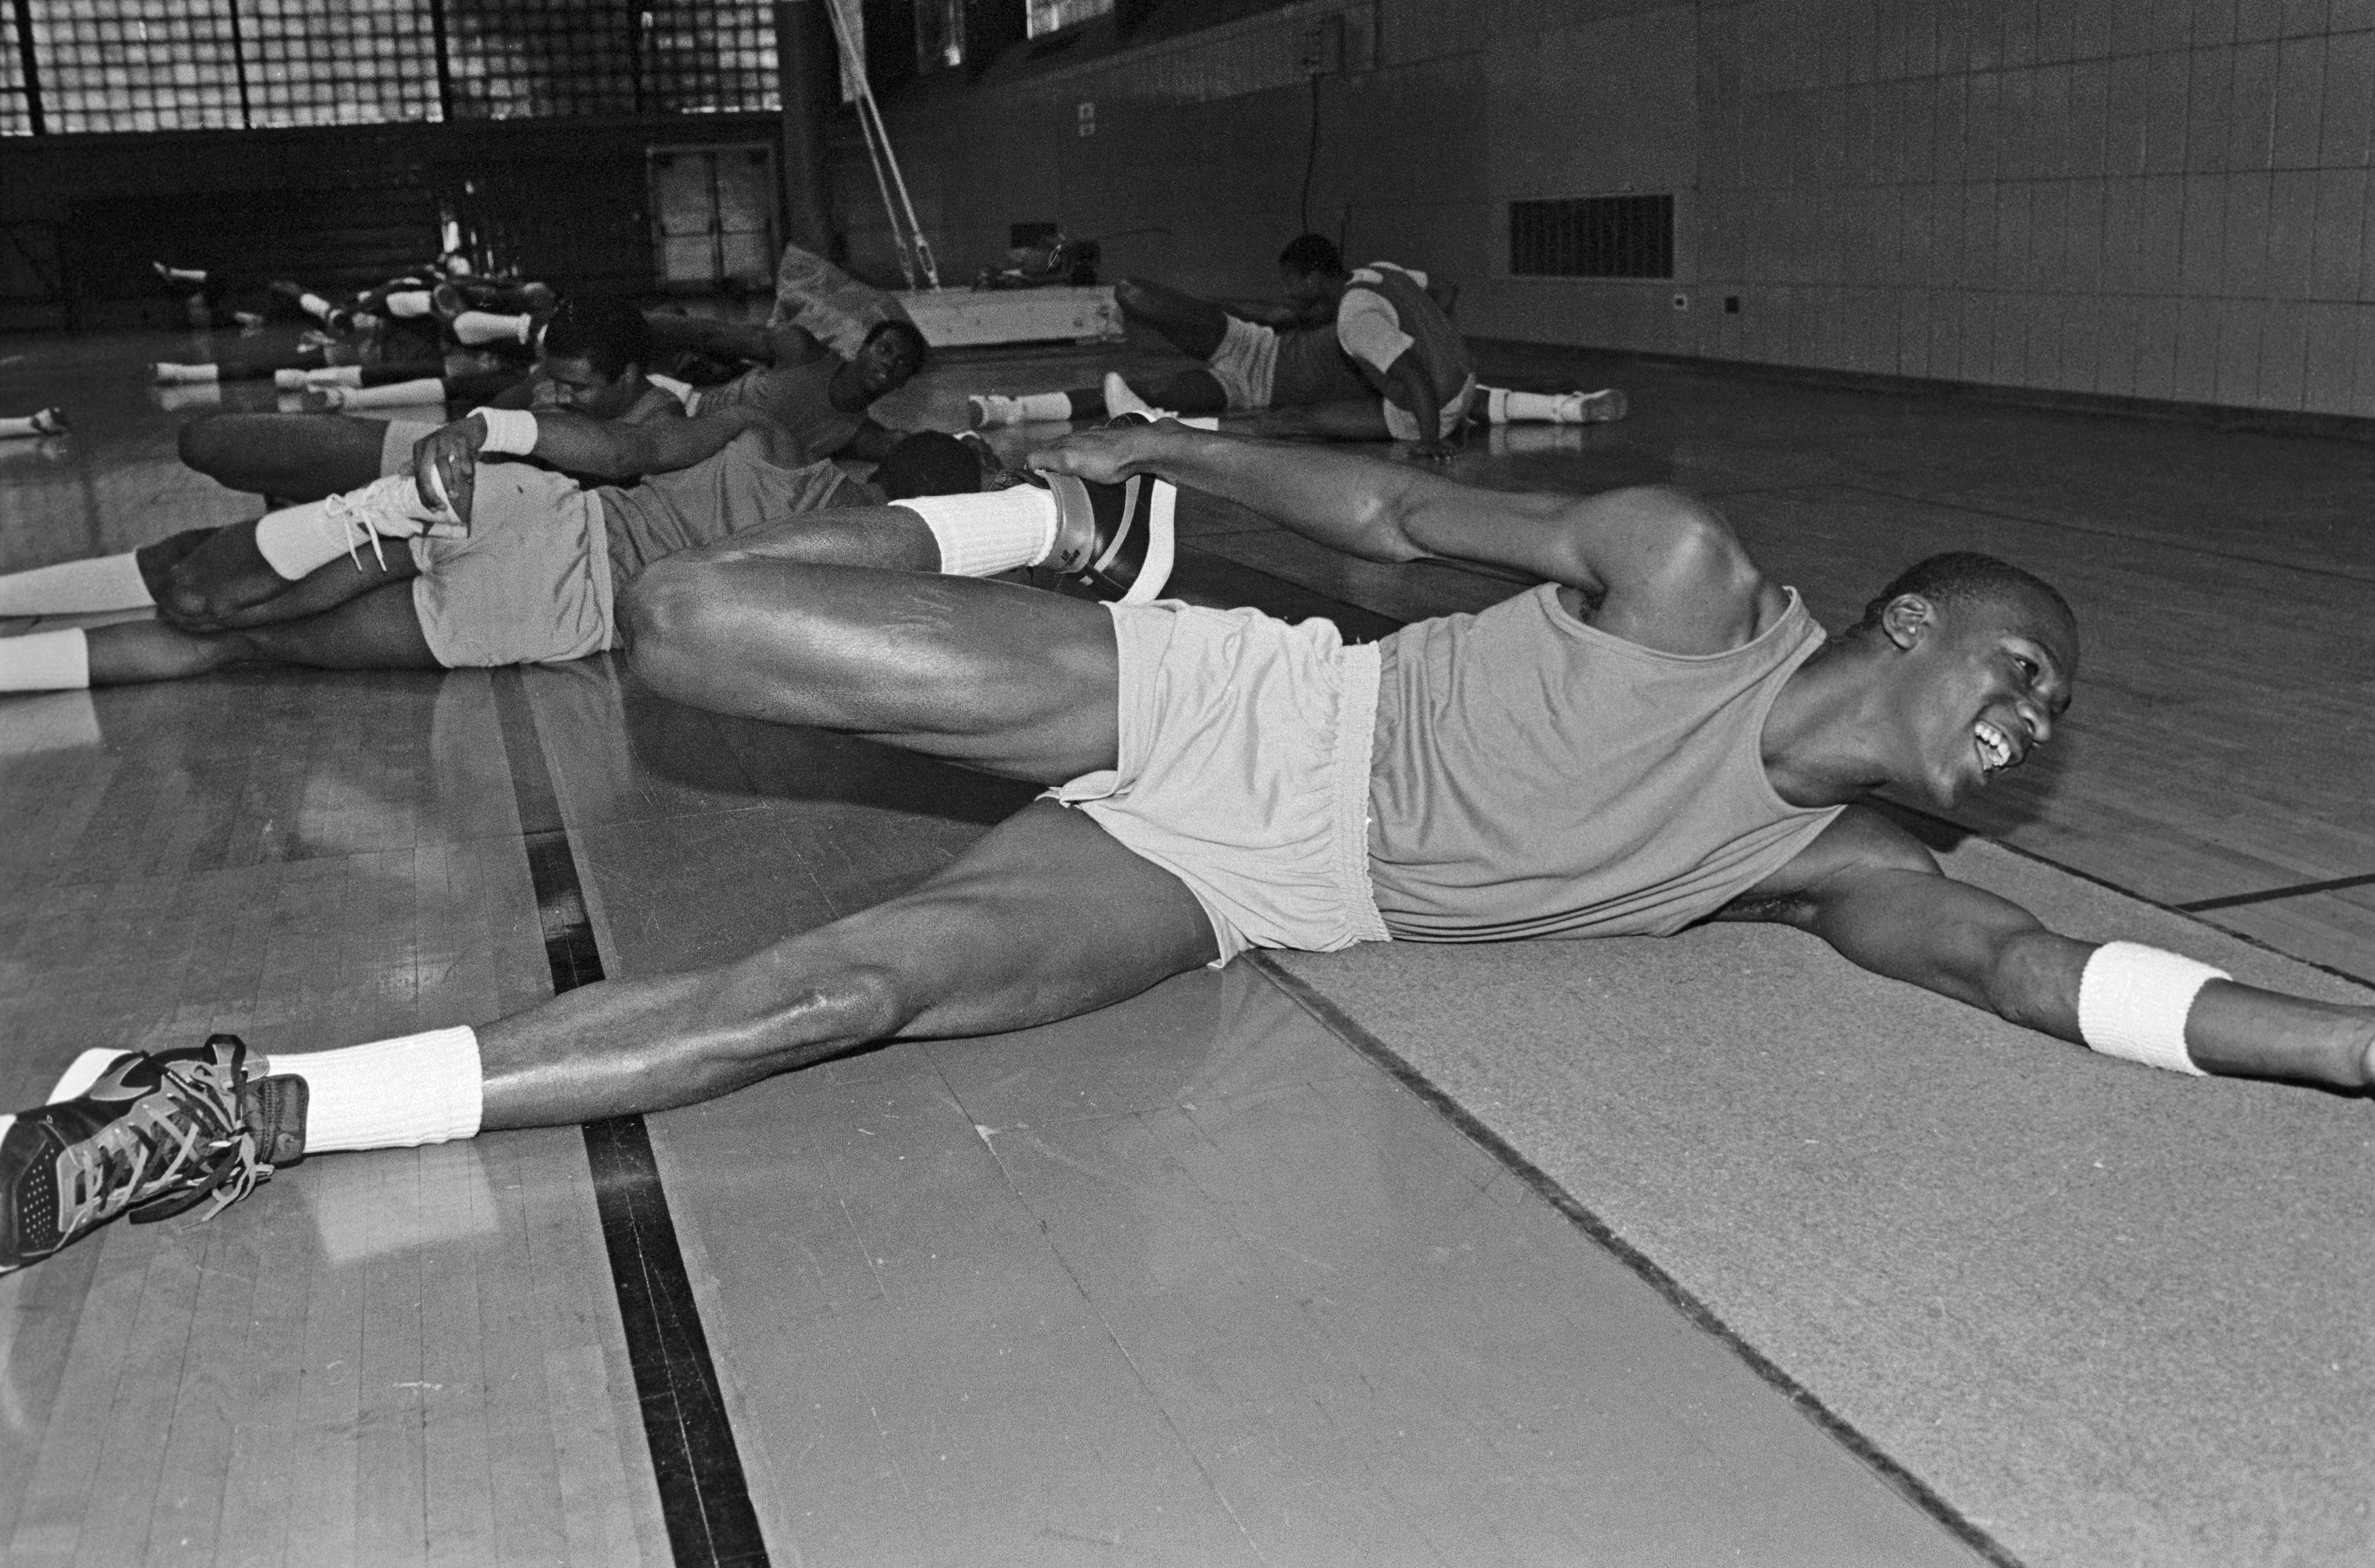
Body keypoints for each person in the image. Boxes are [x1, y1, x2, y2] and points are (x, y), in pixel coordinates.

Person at [4, 419, 2369, 1273]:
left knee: (814, 1005)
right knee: (701, 620)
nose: (2033, 722)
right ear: (1908, 620)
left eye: (2047, 717)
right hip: (1235, 694)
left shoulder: (1833, 863)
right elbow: (1385, 510)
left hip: (1242, 887)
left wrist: (2332, 1043)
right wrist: (1126, 479)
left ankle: (221, 1103)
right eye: (2021, 671)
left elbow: (2031, 979)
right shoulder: (1670, 568)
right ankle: (1037, 525)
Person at [0, 393, 992, 695]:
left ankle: (373, 517)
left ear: (885, 459)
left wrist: (485, 429)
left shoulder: (766, 434)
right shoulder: (872, 571)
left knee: (197, 585)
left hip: (528, 510)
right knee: (227, 636)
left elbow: (626, 444)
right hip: (553, 615)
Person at [967, 235, 1549, 459]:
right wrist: (1433, 330)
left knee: (1155, 394)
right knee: (1131, 293)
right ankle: (1024, 408)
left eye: (1295, 283)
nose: (1289, 293)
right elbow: (1440, 290)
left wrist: (1428, 440)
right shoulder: (1381, 273)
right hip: (1253, 346)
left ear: (1313, 277)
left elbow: (1412, 377)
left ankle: (1011, 410)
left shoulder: (1359, 319)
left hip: (1247, 390)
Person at [173, 295, 680, 511]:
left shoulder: (662, 422)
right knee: (208, 442)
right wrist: (527, 410)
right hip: (423, 455)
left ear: (631, 375)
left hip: (462, 519)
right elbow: (478, 421)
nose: (563, 391)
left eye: (579, 386)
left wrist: (544, 429)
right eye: (556, 377)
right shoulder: (554, 379)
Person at [642, 312, 929, 464]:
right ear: (863, 348)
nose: (890, 363)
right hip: (681, 410)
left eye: (902, 363)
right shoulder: (801, 350)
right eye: (885, 349)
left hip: (702, 468)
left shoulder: (857, 435)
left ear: (904, 383)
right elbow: (708, 334)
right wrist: (631, 327)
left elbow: (915, 453)